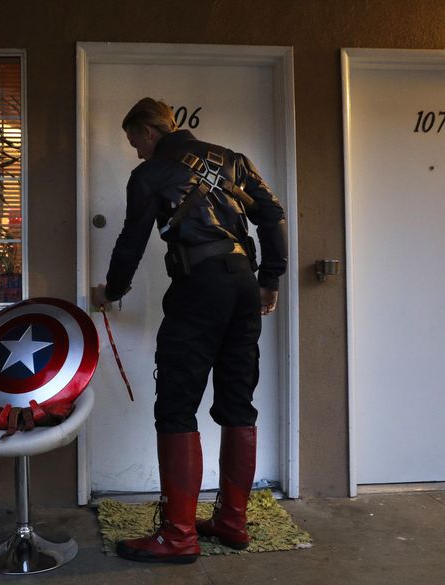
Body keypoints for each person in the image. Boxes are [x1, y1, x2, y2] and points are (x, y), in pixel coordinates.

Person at [92, 98, 288, 564]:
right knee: (238, 399)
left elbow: (131, 242)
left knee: (177, 404)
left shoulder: (150, 175)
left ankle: (179, 535)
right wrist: (270, 279)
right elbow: (272, 214)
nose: (136, 151)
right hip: (243, 284)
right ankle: (231, 521)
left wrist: (111, 290)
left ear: (150, 130)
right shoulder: (231, 159)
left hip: (199, 288)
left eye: (134, 140)